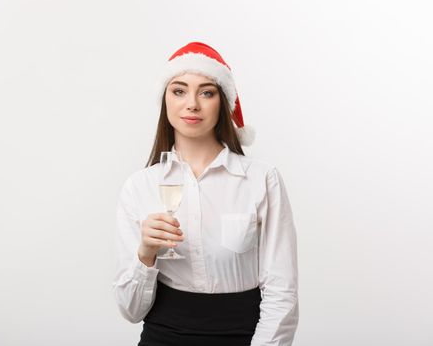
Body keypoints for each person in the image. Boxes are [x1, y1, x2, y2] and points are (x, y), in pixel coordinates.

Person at [113, 42, 299, 346]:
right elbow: (131, 311)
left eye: (207, 92)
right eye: (179, 91)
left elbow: (282, 291)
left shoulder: (261, 179)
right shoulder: (140, 186)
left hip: (241, 337)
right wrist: (146, 253)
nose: (192, 104)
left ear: (222, 102)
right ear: (166, 101)